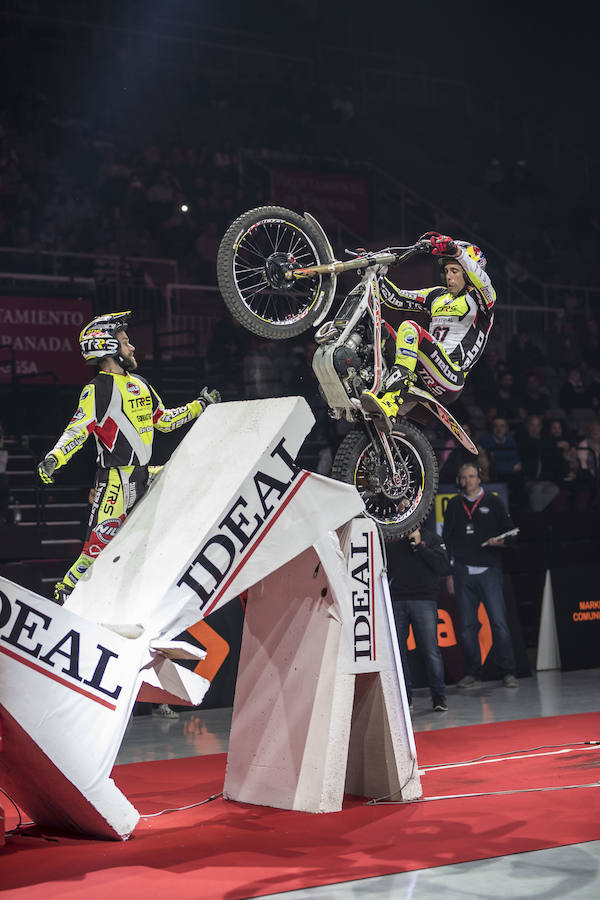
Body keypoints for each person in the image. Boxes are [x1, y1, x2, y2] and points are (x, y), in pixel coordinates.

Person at [37, 310, 220, 605]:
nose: (131, 347)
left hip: (146, 474)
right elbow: (77, 430)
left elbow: (163, 420)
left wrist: (201, 405)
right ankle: (64, 597)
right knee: (95, 550)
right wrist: (53, 458)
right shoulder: (97, 389)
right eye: (125, 342)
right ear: (108, 348)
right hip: (115, 482)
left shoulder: (141, 383)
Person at [360, 231, 495, 427]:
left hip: (451, 378)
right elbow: (394, 298)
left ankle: (395, 391)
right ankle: (368, 384)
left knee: (410, 327)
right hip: (425, 374)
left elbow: (484, 283)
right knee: (380, 329)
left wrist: (458, 252)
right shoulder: (437, 295)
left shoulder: (482, 301)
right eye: (447, 271)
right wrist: (373, 272)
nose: (449, 277)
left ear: (468, 272)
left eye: (455, 271)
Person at [442, 462, 518, 689]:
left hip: (489, 570)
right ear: (459, 480)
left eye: (472, 476)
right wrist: (449, 573)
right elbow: (447, 540)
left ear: (479, 478)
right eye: (463, 477)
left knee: (499, 623)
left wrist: (501, 541)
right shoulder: (454, 504)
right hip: (463, 571)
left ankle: (508, 672)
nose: (468, 481)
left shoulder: (493, 501)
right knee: (467, 626)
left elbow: (512, 533)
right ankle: (472, 673)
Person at [387, 527, 451, 712]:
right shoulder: (393, 538)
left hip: (424, 599)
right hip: (397, 598)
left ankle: (438, 696)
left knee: (431, 650)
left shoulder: (431, 538)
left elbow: (443, 566)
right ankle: (405, 697)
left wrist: (420, 545)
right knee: (398, 652)